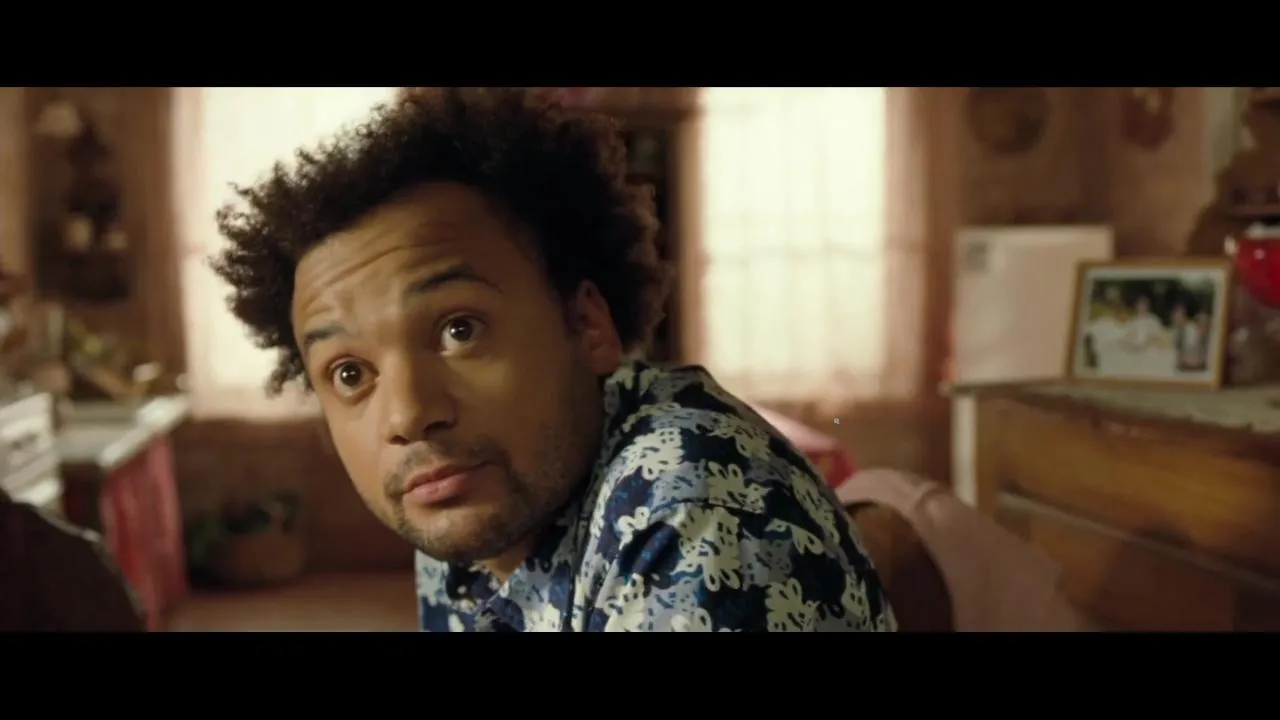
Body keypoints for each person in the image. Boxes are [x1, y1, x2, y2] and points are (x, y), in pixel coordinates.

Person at [211, 87, 895, 632]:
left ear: (588, 324)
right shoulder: (461, 504)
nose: (409, 415)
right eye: (351, 374)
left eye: (459, 330)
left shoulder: (696, 510)